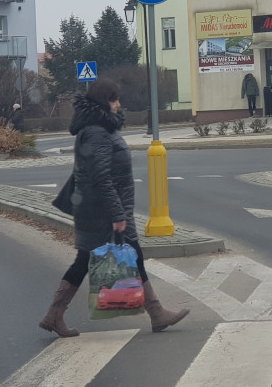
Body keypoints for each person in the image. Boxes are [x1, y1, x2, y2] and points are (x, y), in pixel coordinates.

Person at [39, 79, 189, 338]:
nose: (118, 104)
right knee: (130, 256)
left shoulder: (99, 128)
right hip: (103, 211)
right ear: (101, 103)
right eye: (113, 99)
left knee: (87, 260)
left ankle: (54, 315)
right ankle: (156, 312)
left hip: (96, 208)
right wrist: (117, 214)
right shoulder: (97, 131)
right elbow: (101, 177)